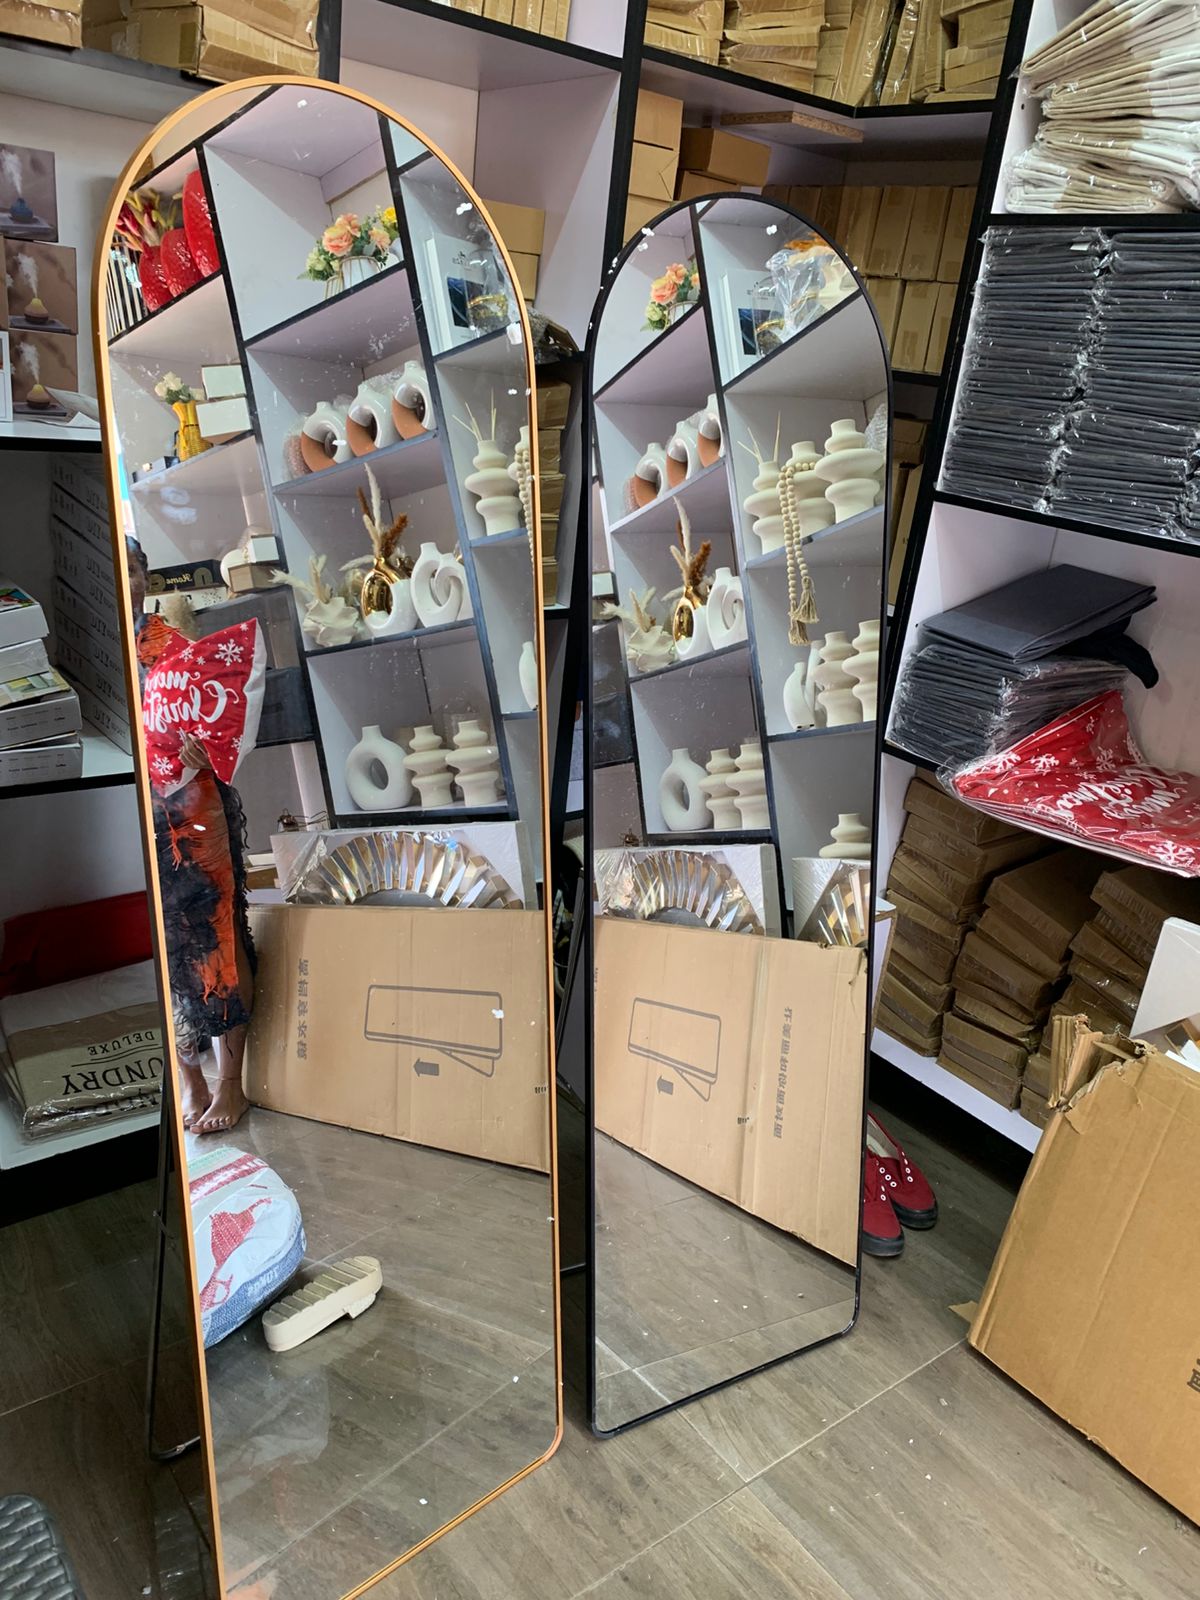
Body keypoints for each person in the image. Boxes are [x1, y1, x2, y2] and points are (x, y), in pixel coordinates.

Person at [127, 536, 255, 1134]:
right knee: (160, 945)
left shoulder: (176, 651)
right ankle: (188, 1078)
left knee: (215, 933)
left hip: (191, 811)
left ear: (145, 577)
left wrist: (209, 748)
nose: (124, 580)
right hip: (136, 815)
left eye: (132, 568)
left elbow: (223, 729)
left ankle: (231, 1083)